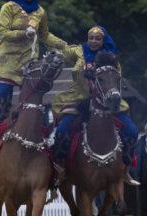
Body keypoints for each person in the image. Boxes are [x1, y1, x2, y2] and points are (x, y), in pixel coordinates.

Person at [50, 26, 139, 185]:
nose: (93, 41)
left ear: (103, 40)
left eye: (98, 38)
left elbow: (115, 79)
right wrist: (52, 47)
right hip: (79, 100)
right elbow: (63, 53)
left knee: (132, 131)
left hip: (106, 103)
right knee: (62, 130)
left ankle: (124, 169)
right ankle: (61, 169)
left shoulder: (111, 57)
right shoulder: (79, 51)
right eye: (91, 38)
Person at [0, 0, 68, 127]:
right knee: (3, 95)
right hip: (6, 60)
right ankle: (0, 131)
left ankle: (31, 129)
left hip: (28, 60)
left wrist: (63, 45)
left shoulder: (40, 12)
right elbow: (3, 32)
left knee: (32, 97)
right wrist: (24, 33)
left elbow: (44, 35)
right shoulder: (8, 7)